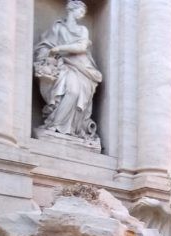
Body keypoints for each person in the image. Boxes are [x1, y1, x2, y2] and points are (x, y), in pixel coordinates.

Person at [33, 0, 102, 143]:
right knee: (69, 91)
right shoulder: (58, 28)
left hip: (81, 66)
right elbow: (46, 46)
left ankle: (69, 129)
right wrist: (47, 55)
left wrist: (59, 49)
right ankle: (55, 126)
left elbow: (82, 47)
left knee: (75, 92)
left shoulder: (83, 30)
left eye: (84, 12)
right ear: (72, 9)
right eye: (81, 11)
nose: (82, 14)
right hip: (62, 65)